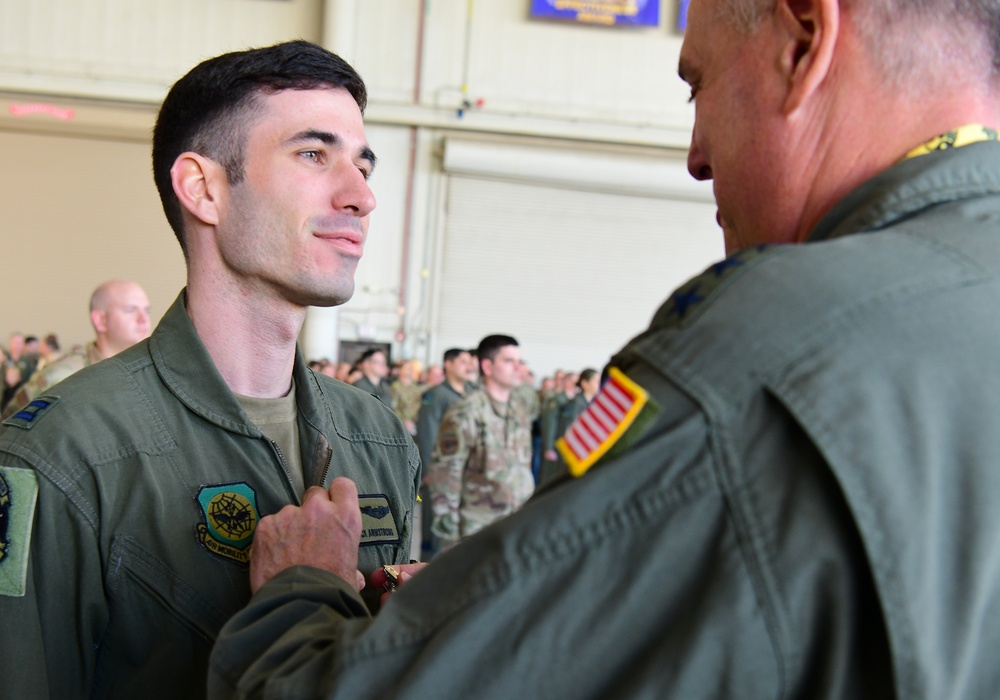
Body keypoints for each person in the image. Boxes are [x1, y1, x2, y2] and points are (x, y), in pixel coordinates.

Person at [209, 0, 1000, 695]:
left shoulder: (762, 356)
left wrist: (301, 590)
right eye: (314, 155)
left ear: (802, 40)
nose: (696, 156)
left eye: (699, 84)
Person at [0, 40, 419, 699]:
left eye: (363, 165)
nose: (362, 196)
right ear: (204, 189)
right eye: (315, 154)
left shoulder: (380, 437)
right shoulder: (65, 455)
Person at [425, 335, 533, 550]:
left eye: (518, 362)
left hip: (515, 525)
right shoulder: (466, 412)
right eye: (509, 361)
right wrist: (450, 537)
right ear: (487, 366)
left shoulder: (519, 411)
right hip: (476, 529)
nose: (517, 368)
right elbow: (446, 475)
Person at [1, 279, 151, 419]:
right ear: (101, 320)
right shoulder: (59, 377)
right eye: (130, 310)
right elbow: (8, 429)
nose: (144, 319)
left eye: (147, 310)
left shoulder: (151, 375)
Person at [538, 368, 598, 484]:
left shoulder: (578, 400)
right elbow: (551, 424)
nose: (575, 384)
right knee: (549, 478)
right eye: (572, 381)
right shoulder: (564, 400)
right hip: (559, 444)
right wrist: (549, 447)